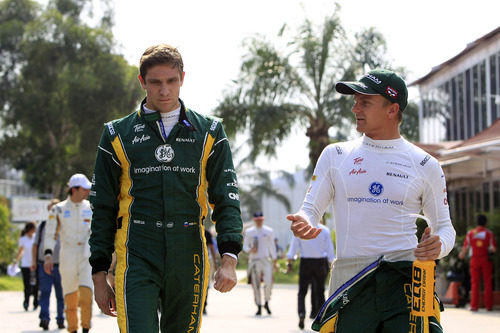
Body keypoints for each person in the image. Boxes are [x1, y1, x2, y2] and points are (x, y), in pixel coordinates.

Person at [286, 69, 456, 332]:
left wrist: (439, 246)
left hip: (405, 286)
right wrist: (304, 222)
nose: (355, 108)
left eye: (364, 101)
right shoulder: (336, 155)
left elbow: (445, 228)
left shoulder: (426, 164)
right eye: (355, 101)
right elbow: (310, 210)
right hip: (351, 285)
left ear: (392, 109)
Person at [88, 43, 243, 333]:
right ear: (141, 81)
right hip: (137, 251)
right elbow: (102, 209)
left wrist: (230, 258)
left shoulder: (210, 132)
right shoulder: (116, 134)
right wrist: (99, 276)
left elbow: (226, 198)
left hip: (188, 251)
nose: (164, 91)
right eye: (155, 83)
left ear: (182, 78)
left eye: (172, 81)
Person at [44, 173, 93, 333]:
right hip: (68, 255)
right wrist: (48, 255)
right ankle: (72, 329)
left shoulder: (91, 207)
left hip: (86, 255)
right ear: (74, 189)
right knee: (70, 298)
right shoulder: (58, 209)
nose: (87, 192)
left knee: (86, 297)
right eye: (84, 189)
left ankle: (86, 327)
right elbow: (51, 233)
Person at [287, 222, 335, 329]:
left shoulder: (302, 229)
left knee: (302, 292)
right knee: (320, 291)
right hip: (320, 262)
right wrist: (331, 264)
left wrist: (290, 262)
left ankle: (301, 314)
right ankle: (321, 317)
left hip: (306, 262)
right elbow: (330, 250)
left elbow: (293, 248)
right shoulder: (324, 230)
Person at [32, 199, 65, 330]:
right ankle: (44, 318)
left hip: (61, 265)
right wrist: (34, 262)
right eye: (51, 209)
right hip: (44, 265)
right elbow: (35, 245)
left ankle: (61, 319)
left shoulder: (65, 224)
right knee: (44, 293)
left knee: (61, 295)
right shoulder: (42, 226)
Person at [458, 214, 497, 311]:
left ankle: (474, 306)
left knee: (474, 283)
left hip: (474, 260)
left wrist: (461, 255)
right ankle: (489, 306)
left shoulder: (471, 233)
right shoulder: (489, 233)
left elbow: (465, 248)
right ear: (486, 223)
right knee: (488, 283)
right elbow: (493, 249)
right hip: (486, 260)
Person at [243, 211, 277, 316]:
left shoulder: (268, 231)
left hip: (265, 259)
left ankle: (266, 301)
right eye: (257, 220)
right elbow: (245, 246)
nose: (259, 222)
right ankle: (258, 305)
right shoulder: (249, 232)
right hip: (254, 260)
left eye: (260, 220)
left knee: (268, 282)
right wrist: (250, 250)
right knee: (256, 284)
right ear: (254, 220)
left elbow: (272, 246)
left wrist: (275, 260)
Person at [15, 221, 38, 311]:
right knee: (27, 285)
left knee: (36, 285)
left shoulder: (36, 238)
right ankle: (26, 302)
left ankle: (36, 302)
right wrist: (16, 261)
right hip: (26, 264)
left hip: (35, 264)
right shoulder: (23, 239)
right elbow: (20, 251)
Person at [203, 228, 218, 315]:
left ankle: (204, 305)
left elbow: (212, 247)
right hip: (194, 261)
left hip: (206, 260)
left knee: (206, 283)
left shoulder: (206, 232)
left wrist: (215, 262)